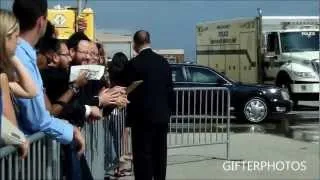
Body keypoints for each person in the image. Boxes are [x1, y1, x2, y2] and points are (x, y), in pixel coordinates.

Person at [12, 0, 85, 156]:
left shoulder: (22, 54)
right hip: (22, 155)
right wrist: (70, 130)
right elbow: (37, 119)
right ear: (41, 21)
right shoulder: (21, 58)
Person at [125, 30, 174, 180]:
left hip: (141, 119)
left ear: (135, 44)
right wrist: (168, 113)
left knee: (142, 157)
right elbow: (170, 91)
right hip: (161, 117)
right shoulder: (163, 62)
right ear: (149, 41)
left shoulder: (134, 64)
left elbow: (127, 90)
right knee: (160, 155)